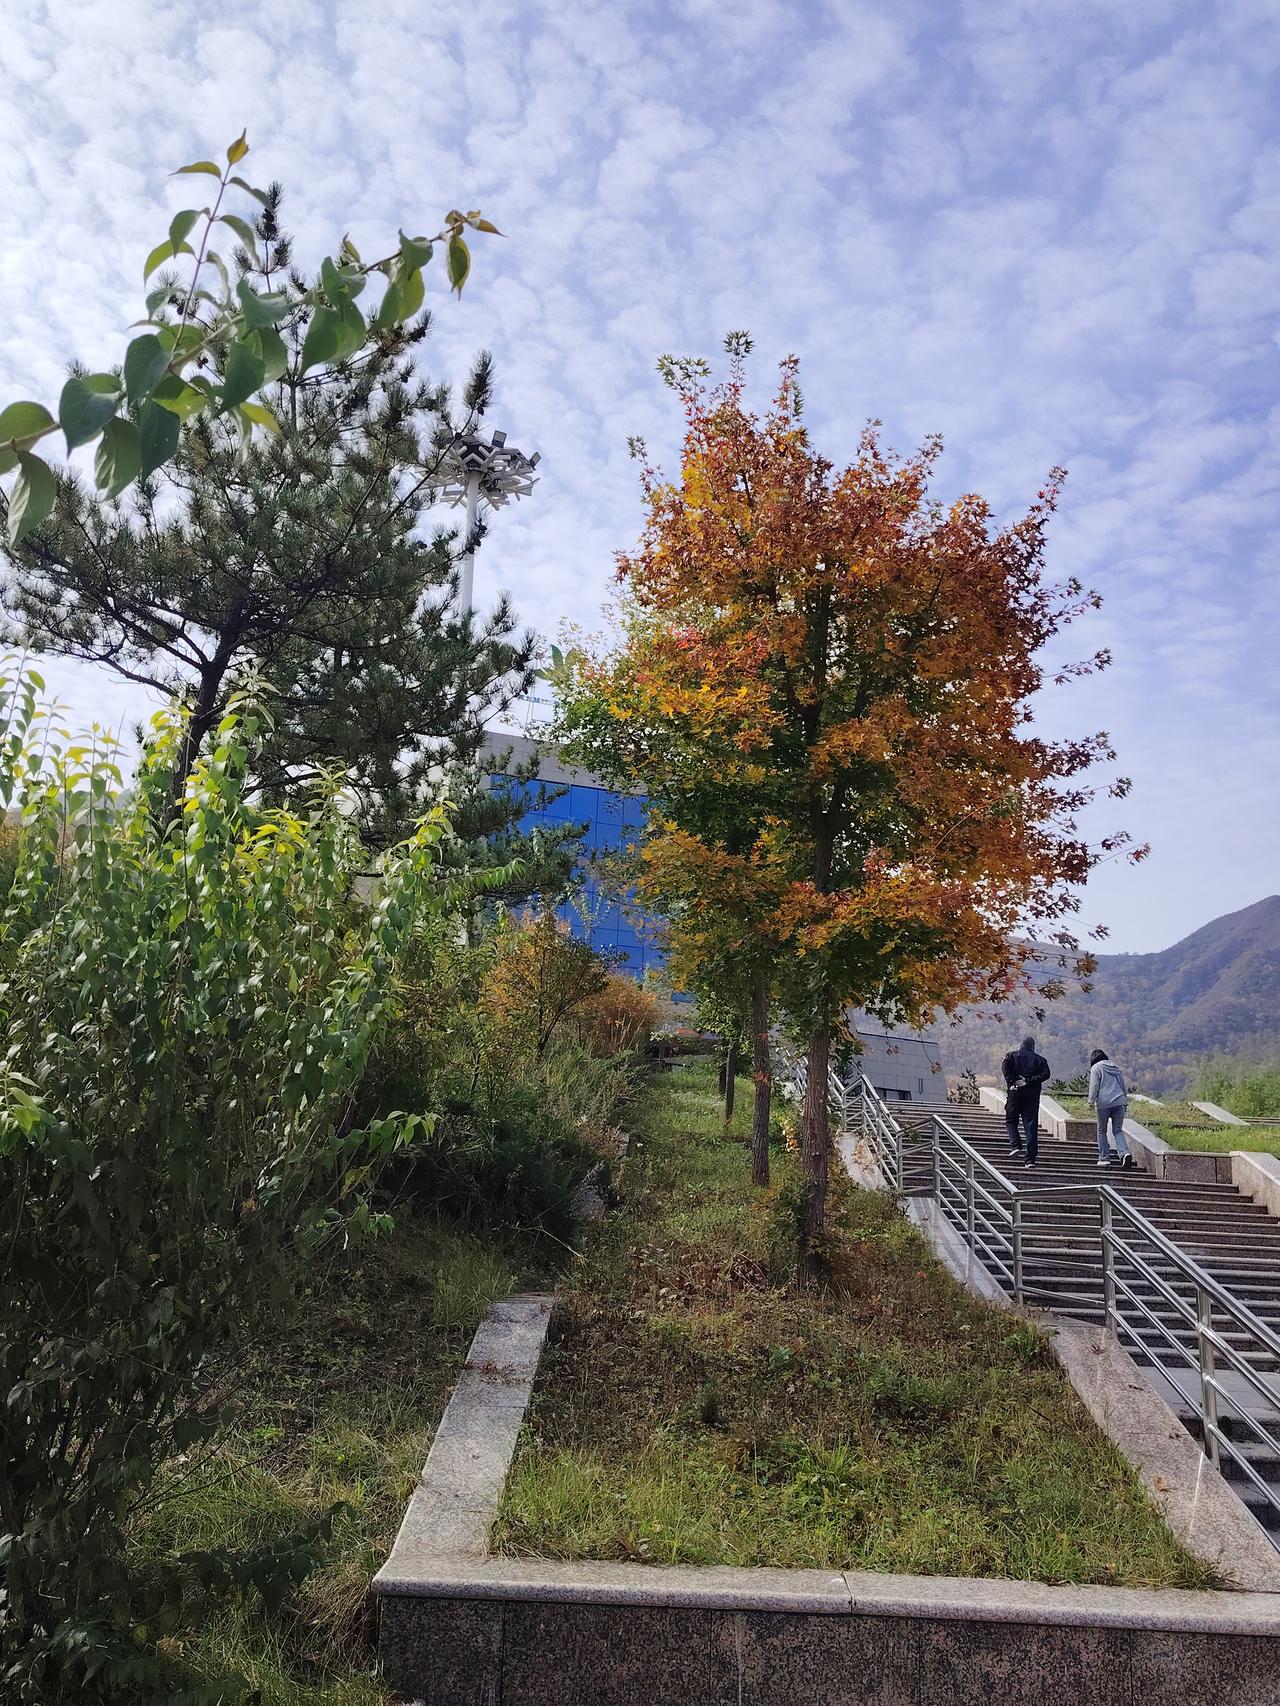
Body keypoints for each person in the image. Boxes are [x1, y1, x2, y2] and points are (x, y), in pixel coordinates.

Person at [1001, 1035, 1050, 1168]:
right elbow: (1046, 1074)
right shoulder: (1041, 1060)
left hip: (1015, 1092)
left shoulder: (1011, 1056)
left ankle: (1016, 1144)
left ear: (1021, 1045)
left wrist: (1012, 1081)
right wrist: (1029, 1080)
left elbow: (1005, 1067)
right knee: (1031, 1126)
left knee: (1011, 1119)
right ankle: (1030, 1160)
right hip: (1032, 1095)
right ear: (1033, 1047)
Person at [1088, 1048, 1133, 1168]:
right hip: (1119, 1102)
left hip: (1104, 1103)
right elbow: (1122, 1086)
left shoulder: (1096, 1068)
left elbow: (1094, 1085)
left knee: (1101, 1130)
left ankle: (1104, 1158)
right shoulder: (1116, 1068)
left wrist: (1091, 1101)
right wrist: (1124, 1102)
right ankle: (1125, 1153)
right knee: (1117, 1130)